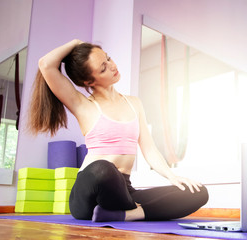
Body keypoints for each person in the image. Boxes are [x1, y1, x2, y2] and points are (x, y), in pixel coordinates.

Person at [28, 39, 208, 222]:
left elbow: (149, 148)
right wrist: (75, 43)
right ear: (89, 81)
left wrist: (172, 176)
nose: (113, 66)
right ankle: (133, 211)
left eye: (109, 59)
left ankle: (129, 214)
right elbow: (46, 64)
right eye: (103, 68)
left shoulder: (134, 103)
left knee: (198, 191)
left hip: (124, 191)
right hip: (91, 190)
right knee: (104, 168)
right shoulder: (83, 105)